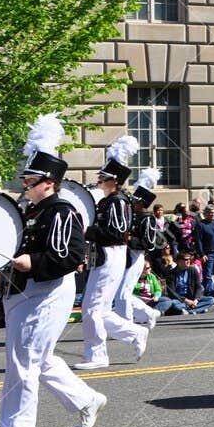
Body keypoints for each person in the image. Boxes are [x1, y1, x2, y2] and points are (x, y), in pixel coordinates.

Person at [0, 114, 105, 427]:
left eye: (30, 181)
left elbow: (69, 257)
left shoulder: (61, 211)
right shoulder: (33, 212)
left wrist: (31, 262)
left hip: (47, 291)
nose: (25, 185)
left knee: (24, 359)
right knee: (39, 357)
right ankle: (86, 400)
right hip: (26, 291)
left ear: (48, 182)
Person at [76, 135, 149, 371]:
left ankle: (97, 355)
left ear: (114, 181)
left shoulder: (116, 201)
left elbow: (116, 232)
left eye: (103, 177)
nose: (99, 180)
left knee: (92, 308)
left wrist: (87, 231)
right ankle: (135, 332)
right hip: (108, 255)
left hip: (111, 254)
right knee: (97, 308)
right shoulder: (111, 200)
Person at [120, 168, 165, 332]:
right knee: (121, 292)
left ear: (143, 203)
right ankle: (148, 313)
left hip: (137, 256)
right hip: (126, 255)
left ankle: (127, 323)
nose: (133, 203)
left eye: (136, 201)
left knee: (124, 293)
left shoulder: (147, 219)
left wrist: (131, 239)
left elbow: (149, 243)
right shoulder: (134, 216)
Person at [192, 202, 214, 300]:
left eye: (213, 212)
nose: (212, 214)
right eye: (210, 212)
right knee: (208, 276)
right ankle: (208, 296)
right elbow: (198, 241)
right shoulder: (200, 225)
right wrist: (201, 254)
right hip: (208, 254)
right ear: (206, 213)